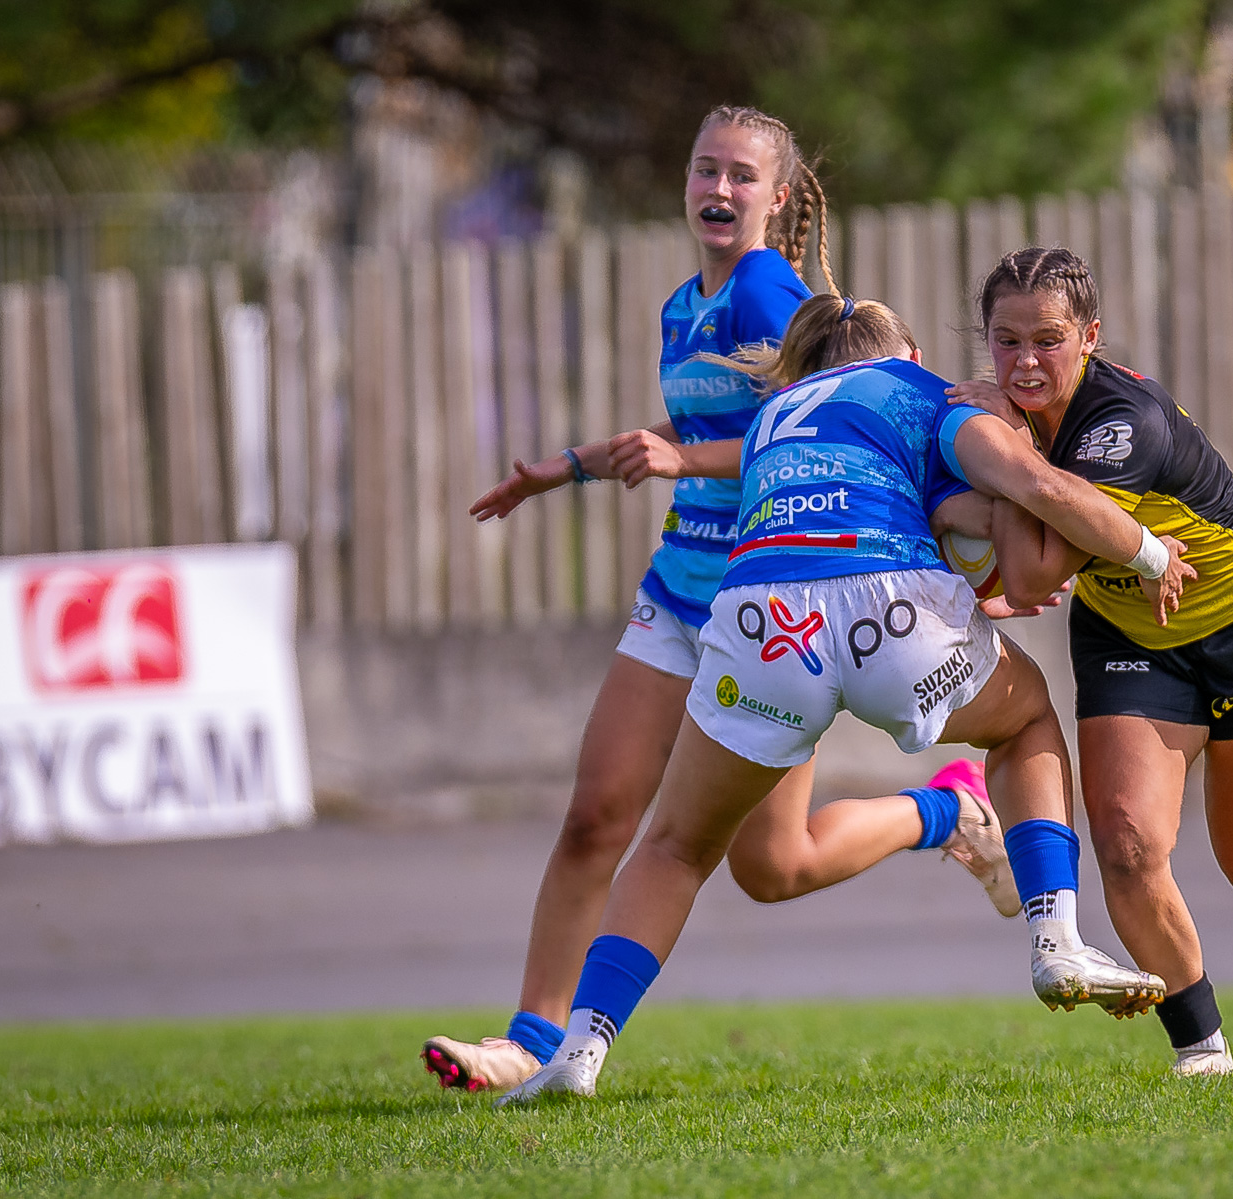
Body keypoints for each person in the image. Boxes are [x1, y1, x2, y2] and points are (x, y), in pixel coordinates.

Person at [421, 108, 1015, 1095]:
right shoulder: (680, 307)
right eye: (708, 168)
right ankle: (532, 1038)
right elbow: (695, 422)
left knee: (772, 867)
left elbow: (813, 426)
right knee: (596, 816)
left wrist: (681, 457)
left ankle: (943, 809)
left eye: (744, 175)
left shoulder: (773, 293)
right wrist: (566, 467)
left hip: (773, 603)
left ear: (778, 198)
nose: (722, 188)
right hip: (679, 586)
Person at [497, 294, 1194, 1104]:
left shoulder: (773, 419)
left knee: (674, 848)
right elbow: (1030, 489)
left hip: (763, 620)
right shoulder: (921, 392)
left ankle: (578, 1053)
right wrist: (1147, 554)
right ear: (901, 353)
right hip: (884, 612)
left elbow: (907, 506)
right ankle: (1057, 936)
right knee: (1028, 713)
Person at [946, 247, 1233, 1079]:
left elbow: (1030, 573)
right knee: (1130, 845)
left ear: (1090, 337)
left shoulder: (1117, 425)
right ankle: (1202, 1057)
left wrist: (996, 462)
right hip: (1131, 633)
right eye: (1005, 340)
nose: (1026, 361)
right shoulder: (1002, 416)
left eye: (1049, 339)